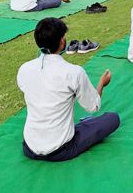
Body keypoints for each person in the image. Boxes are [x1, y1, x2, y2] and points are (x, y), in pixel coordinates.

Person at [18, 18, 119, 161]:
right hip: (61, 149)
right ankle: (85, 125)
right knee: (112, 118)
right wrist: (102, 83)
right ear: (62, 42)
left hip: (29, 147)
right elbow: (93, 106)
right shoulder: (73, 72)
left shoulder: (24, 69)